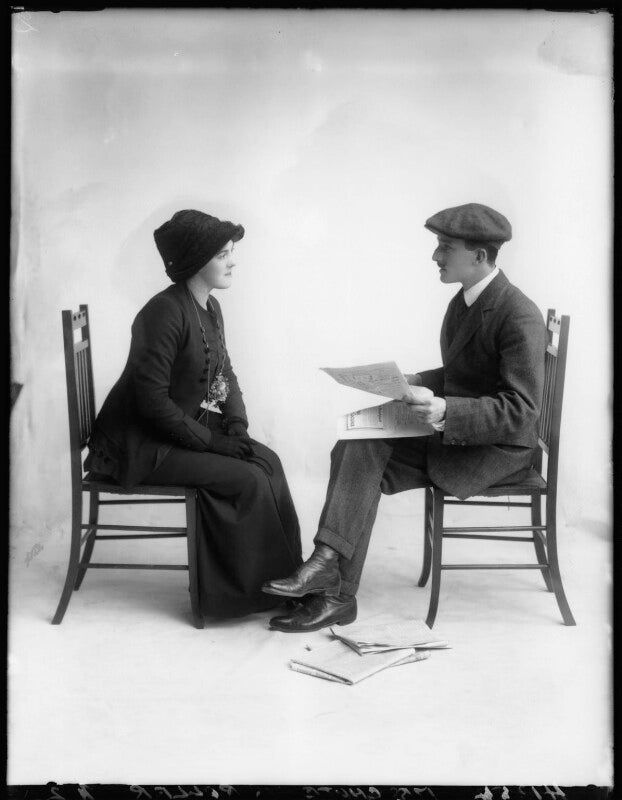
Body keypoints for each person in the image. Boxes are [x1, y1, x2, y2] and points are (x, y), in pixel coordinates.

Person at [263, 202, 546, 633]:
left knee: (363, 460)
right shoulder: (467, 301)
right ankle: (329, 577)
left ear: (479, 256)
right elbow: (465, 373)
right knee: (357, 446)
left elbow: (522, 410)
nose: (435, 256)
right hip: (464, 435)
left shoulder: (518, 313)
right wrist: (413, 381)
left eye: (445, 247)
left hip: (497, 450)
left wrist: (447, 409)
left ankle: (332, 585)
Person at [85, 209, 302, 619]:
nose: (233, 262)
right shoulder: (163, 313)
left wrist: (236, 424)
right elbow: (151, 402)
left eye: (231, 252)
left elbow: (225, 371)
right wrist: (213, 442)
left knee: (267, 460)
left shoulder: (210, 306)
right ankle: (246, 594)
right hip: (140, 445)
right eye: (223, 254)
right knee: (246, 478)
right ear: (196, 261)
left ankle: (290, 579)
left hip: (170, 429)